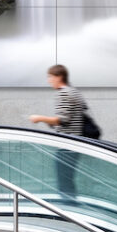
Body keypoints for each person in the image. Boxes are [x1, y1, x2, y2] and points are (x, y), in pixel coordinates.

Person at [29, 65, 87, 199]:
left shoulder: (64, 93)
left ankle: (68, 207)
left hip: (67, 144)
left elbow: (64, 119)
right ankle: (70, 204)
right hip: (75, 142)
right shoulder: (74, 91)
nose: (49, 80)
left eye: (50, 77)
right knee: (68, 179)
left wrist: (39, 118)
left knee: (64, 180)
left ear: (59, 77)